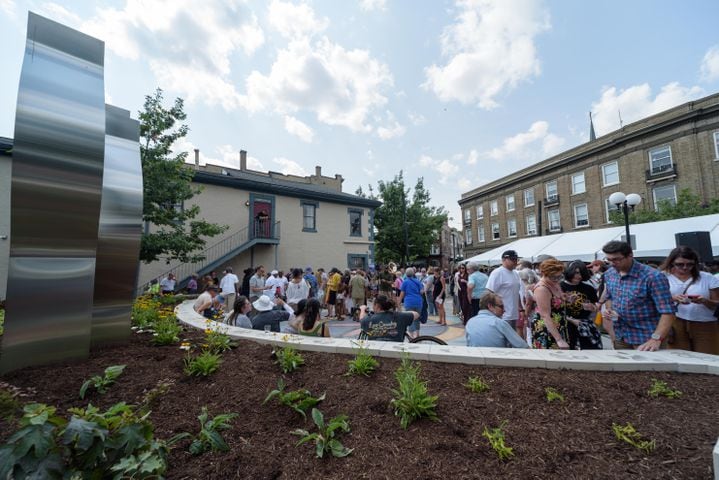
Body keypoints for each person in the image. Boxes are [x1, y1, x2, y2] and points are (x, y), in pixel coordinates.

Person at [601, 241, 675, 351]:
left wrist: (656, 339)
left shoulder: (653, 277)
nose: (612, 263)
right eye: (609, 260)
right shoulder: (610, 274)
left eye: (617, 259)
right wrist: (609, 309)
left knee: (649, 368)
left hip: (646, 337)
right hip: (621, 335)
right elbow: (610, 297)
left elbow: (668, 312)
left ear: (630, 255)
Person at [660, 246, 719, 355]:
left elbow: (716, 303)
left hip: (705, 323)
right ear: (672, 262)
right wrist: (673, 298)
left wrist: (704, 301)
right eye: (680, 264)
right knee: (679, 357)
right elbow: (655, 299)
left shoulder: (707, 277)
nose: (685, 267)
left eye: (690, 264)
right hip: (676, 321)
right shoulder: (663, 276)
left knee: (707, 356)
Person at [561, 260, 602, 350]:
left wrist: (592, 307)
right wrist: (571, 320)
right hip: (565, 327)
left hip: (585, 327)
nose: (579, 276)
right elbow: (554, 310)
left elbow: (596, 308)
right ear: (569, 271)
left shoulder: (588, 288)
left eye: (581, 274)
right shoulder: (559, 287)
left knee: (589, 353)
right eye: (576, 273)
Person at [530, 259, 570, 350]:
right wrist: (559, 339)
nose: (557, 279)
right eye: (553, 277)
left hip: (558, 327)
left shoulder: (555, 283)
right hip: (547, 330)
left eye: (559, 276)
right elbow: (545, 315)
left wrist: (568, 299)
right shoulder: (542, 289)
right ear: (544, 274)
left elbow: (558, 299)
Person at [486, 250, 523, 335]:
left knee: (511, 340)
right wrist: (493, 310)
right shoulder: (497, 273)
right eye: (513, 259)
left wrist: (521, 309)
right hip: (503, 315)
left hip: (514, 314)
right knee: (504, 341)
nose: (515, 262)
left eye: (516, 259)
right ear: (504, 260)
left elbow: (516, 293)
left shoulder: (515, 274)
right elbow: (489, 292)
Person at [398, 267, 424, 338]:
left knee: (410, 318)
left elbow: (402, 293)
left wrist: (398, 303)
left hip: (409, 302)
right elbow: (422, 292)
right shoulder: (418, 281)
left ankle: (411, 335)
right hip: (418, 302)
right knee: (417, 318)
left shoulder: (405, 282)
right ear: (413, 273)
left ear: (406, 274)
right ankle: (417, 334)